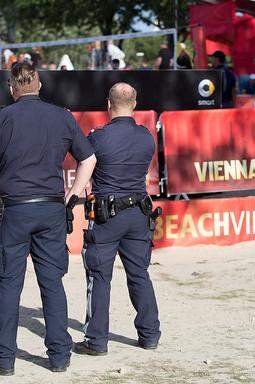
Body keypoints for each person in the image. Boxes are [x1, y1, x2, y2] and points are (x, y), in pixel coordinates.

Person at [0, 62, 96, 375]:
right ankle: (60, 356)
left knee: (9, 284)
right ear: (39, 86)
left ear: (12, 89)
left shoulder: (2, 118)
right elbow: (88, 158)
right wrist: (73, 195)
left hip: (14, 210)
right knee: (52, 283)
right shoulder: (61, 116)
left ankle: (4, 358)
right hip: (51, 209)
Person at [73, 83, 161, 357]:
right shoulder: (147, 137)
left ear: (108, 105)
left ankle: (97, 341)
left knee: (99, 277)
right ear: (134, 104)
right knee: (139, 275)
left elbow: (85, 168)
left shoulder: (97, 137)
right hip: (138, 214)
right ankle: (149, 335)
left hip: (107, 215)